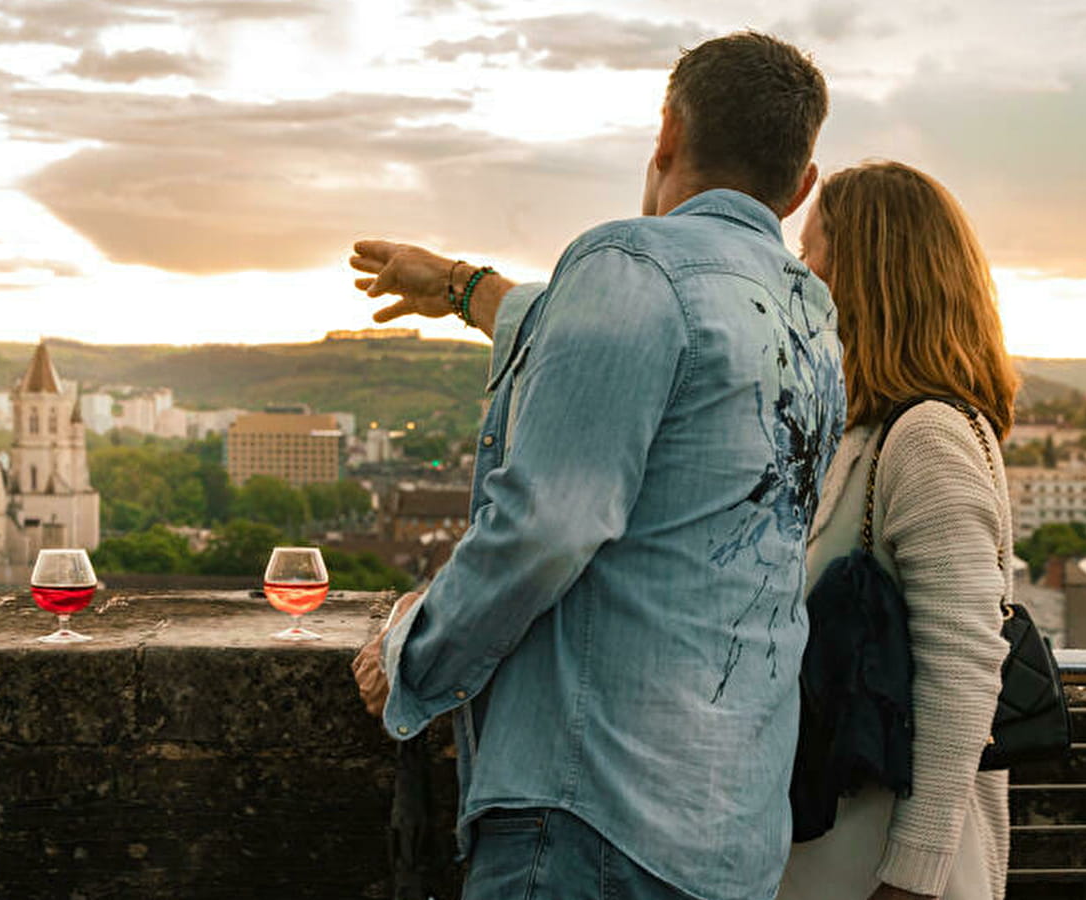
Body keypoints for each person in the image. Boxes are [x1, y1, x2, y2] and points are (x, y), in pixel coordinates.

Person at [348, 31, 845, 900]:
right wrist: (464, 286)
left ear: (664, 138)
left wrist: (412, 653)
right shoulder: (807, 316)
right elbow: (635, 346)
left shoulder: (627, 262)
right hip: (731, 822)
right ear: (799, 186)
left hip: (595, 813)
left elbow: (548, 523)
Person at [777, 161, 1020, 900]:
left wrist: (912, 875)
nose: (795, 274)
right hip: (840, 846)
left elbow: (963, 667)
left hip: (883, 865)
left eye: (808, 253)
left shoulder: (926, 437)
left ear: (862, 274)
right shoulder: (873, 431)